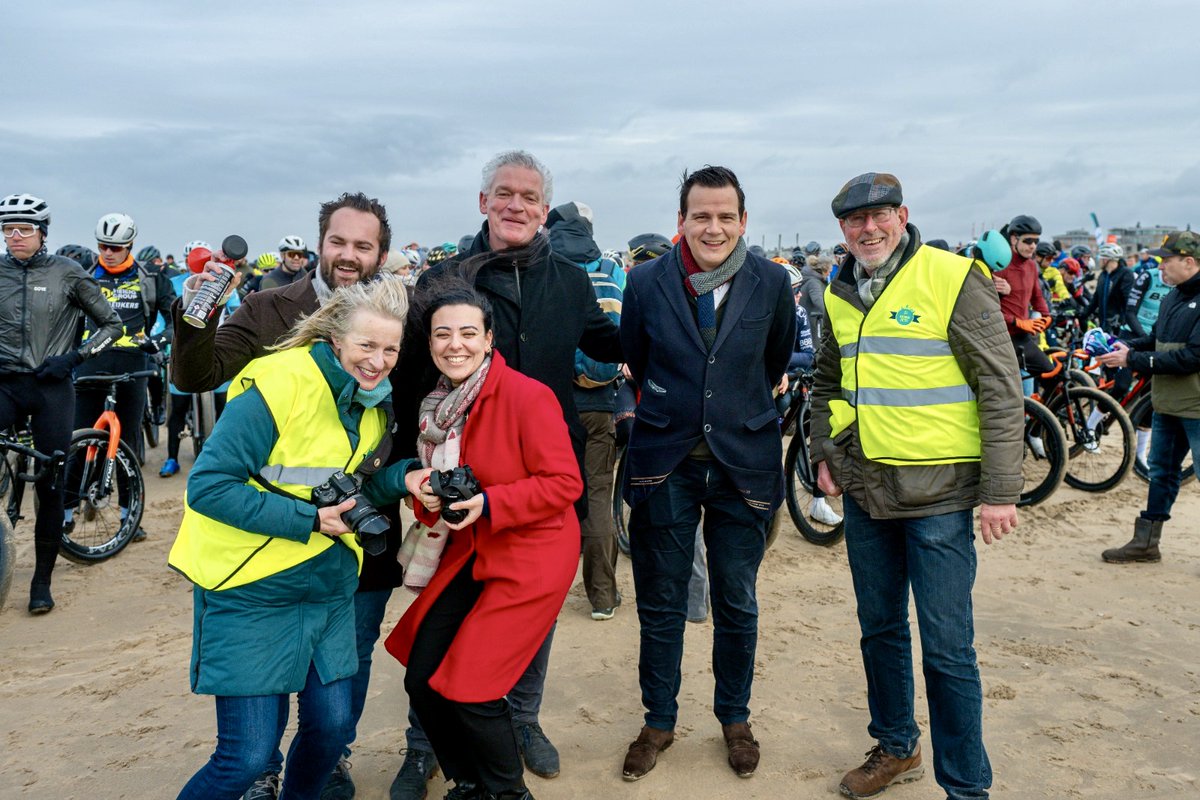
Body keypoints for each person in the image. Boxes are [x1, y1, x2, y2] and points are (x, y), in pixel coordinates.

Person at [395, 149, 623, 793]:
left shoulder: (572, 281)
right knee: (438, 632)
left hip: (539, 473)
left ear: (544, 209)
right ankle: (424, 745)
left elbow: (611, 342)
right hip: (454, 481)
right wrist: (404, 472)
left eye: (528, 197)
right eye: (503, 194)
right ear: (483, 202)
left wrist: (677, 322)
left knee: (528, 619)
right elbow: (410, 372)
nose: (515, 205)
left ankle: (520, 720)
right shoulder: (444, 280)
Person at [171, 193, 398, 800]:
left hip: (341, 549)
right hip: (260, 555)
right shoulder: (269, 309)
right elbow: (196, 378)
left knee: (331, 718)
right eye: (339, 242)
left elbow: (390, 424)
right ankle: (264, 771)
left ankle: (323, 763)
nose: (348, 256)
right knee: (249, 745)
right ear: (320, 243)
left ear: (380, 253)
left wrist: (403, 481)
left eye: (363, 246)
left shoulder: (392, 324)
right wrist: (194, 322)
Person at [809, 173, 1023, 800]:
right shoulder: (839, 289)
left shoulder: (952, 278)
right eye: (854, 222)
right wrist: (826, 452)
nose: (867, 230)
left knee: (948, 650)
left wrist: (1001, 490)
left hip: (942, 496)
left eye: (879, 216)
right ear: (842, 230)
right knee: (878, 629)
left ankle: (965, 786)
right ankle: (897, 746)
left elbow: (1001, 389)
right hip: (867, 490)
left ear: (902, 215)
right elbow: (828, 383)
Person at [618, 165, 795, 782]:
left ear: (743, 221)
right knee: (660, 602)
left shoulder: (773, 283)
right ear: (682, 221)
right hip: (665, 463)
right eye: (701, 215)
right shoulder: (644, 282)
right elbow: (637, 358)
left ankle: (734, 718)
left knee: (737, 600)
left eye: (726, 216)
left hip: (742, 464)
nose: (713, 227)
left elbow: (774, 357)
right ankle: (658, 721)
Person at [384, 281, 582, 800]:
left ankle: (508, 794)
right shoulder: (439, 405)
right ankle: (469, 785)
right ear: (428, 344)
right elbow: (445, 481)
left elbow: (565, 484)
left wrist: (491, 503)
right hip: (470, 550)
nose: (456, 344)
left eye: (469, 333)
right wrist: (422, 497)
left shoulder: (526, 395)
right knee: (424, 678)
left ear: (489, 338)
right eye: (442, 334)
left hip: (531, 554)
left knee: (471, 689)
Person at [0, 194, 123, 614]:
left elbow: (112, 325)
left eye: (24, 229)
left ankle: (41, 582)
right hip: (5, 384)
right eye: (7, 229)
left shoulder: (67, 273)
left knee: (50, 482)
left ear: (42, 234)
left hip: (51, 386)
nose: (15, 236)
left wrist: (74, 358)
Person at [68, 211, 177, 541]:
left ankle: (131, 516)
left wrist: (158, 342)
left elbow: (174, 319)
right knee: (77, 439)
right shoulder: (83, 276)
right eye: (103, 245)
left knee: (127, 443)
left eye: (116, 247)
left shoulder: (151, 278)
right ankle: (65, 512)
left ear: (130, 245)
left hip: (133, 365)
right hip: (90, 364)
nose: (108, 252)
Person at [1096, 231, 1200, 563]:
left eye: (1166, 260)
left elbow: (1191, 358)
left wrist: (1134, 360)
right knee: (1161, 472)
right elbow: (1156, 339)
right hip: (1168, 403)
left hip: (1197, 407)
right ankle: (1146, 543)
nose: (1160, 266)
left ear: (1189, 262)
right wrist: (1125, 348)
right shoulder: (1173, 297)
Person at [545, 200, 626, 621]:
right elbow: (624, 331)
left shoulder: (543, 265)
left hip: (551, 401)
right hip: (599, 400)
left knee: (547, 497)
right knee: (597, 495)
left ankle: (546, 592)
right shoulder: (610, 268)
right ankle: (602, 596)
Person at [994, 215, 1055, 389]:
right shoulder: (1001, 265)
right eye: (1028, 241)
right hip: (1003, 339)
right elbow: (989, 310)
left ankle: (1040, 415)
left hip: (1023, 337)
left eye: (1036, 241)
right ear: (1014, 239)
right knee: (1018, 394)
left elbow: (1037, 297)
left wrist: (1046, 316)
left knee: (1051, 375)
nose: (1033, 246)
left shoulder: (1031, 266)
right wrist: (1018, 322)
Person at [1084, 242, 1138, 335]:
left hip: (1119, 326)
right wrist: (1083, 315)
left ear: (1106, 259)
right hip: (1104, 326)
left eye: (1100, 258)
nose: (1099, 260)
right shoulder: (1103, 275)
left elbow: (1128, 301)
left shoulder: (1125, 274)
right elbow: (1096, 299)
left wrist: (1125, 323)